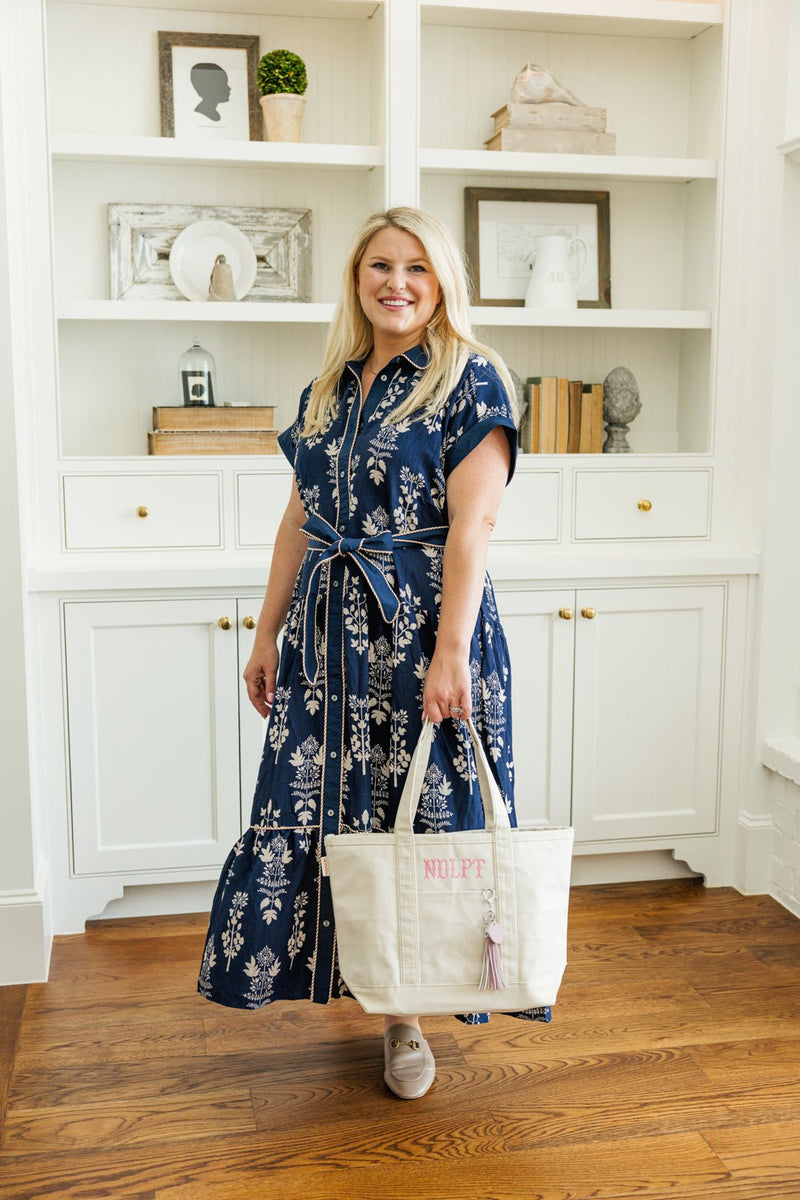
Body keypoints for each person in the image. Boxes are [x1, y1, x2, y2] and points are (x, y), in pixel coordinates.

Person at [196, 206, 551, 1101]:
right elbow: (296, 520)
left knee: (416, 812)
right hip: (327, 637)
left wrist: (451, 653)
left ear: (442, 286)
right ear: (357, 279)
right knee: (336, 816)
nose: (397, 283)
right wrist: (266, 630)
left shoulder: (473, 380)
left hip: (425, 632)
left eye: (417, 269)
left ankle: (407, 1018)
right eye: (380, 266)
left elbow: (473, 528)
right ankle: (355, 980)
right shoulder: (330, 387)